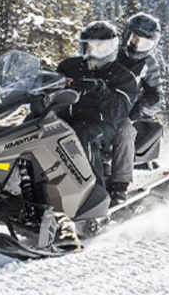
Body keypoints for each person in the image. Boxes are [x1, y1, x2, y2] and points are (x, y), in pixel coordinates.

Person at [56, 21, 138, 191]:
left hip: (102, 124)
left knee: (83, 135)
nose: (92, 52)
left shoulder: (123, 77)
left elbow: (119, 111)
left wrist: (101, 90)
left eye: (99, 47)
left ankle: (95, 194)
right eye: (88, 46)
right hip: (66, 119)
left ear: (110, 48)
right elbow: (50, 78)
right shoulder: (70, 66)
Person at [108, 13, 163, 205]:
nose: (137, 45)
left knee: (125, 130)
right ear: (126, 35)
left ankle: (119, 186)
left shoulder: (149, 64)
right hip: (100, 103)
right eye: (134, 39)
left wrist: (139, 110)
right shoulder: (111, 52)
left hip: (125, 112)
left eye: (144, 43)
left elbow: (155, 94)